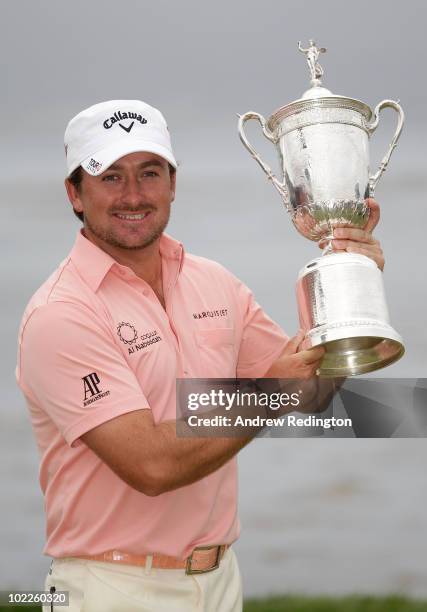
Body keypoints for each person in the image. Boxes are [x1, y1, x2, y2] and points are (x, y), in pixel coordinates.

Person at [16, 99, 385, 612]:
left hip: (219, 580)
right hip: (109, 586)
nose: (134, 195)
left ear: (172, 184)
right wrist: (268, 395)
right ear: (75, 193)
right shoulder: (61, 313)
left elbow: (313, 393)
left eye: (149, 173)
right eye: (110, 177)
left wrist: (347, 287)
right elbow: (150, 464)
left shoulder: (213, 281)